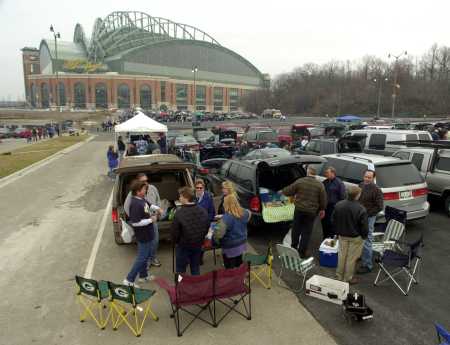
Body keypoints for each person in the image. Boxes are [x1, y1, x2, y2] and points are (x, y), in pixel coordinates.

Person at [282, 166, 327, 258]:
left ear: (308, 172)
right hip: (311, 212)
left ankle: (293, 248)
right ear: (315, 174)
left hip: (299, 210)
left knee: (296, 229)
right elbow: (323, 200)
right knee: (306, 232)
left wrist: (286, 191)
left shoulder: (300, 181)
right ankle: (301, 252)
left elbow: (287, 191)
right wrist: (322, 209)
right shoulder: (320, 185)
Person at [123, 180, 160, 287]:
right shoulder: (135, 204)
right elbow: (135, 223)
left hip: (148, 234)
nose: (146, 190)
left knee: (146, 255)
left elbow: (149, 205)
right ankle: (129, 280)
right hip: (143, 235)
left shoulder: (142, 199)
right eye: (144, 189)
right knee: (141, 258)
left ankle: (143, 276)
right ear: (138, 191)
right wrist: (151, 220)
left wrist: (158, 208)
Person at [332, 186, 368, 284]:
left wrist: (336, 232)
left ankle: (338, 276)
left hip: (342, 235)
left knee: (341, 256)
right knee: (351, 258)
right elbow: (364, 226)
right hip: (355, 237)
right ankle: (348, 278)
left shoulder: (338, 205)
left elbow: (333, 220)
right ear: (357, 196)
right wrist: (364, 236)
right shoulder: (361, 209)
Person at [171, 187, 209, 275]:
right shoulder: (202, 211)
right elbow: (207, 226)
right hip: (197, 245)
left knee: (180, 269)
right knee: (195, 267)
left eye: (180, 196)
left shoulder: (179, 214)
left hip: (183, 246)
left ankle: (180, 286)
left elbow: (174, 233)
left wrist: (176, 242)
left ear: (186, 197)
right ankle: (196, 286)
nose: (179, 198)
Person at [214, 194, 251, 268]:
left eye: (224, 202)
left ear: (226, 204)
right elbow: (249, 212)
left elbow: (218, 235)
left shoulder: (225, 219)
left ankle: (232, 278)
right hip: (241, 243)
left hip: (229, 247)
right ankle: (239, 278)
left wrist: (215, 239)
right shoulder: (244, 213)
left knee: (230, 269)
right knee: (238, 264)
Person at [357, 170, 383, 274]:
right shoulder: (361, 185)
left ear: (373, 178)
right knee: (358, 238)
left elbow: (380, 206)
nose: (367, 179)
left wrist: (367, 214)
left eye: (369, 177)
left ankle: (367, 265)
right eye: (366, 177)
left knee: (367, 240)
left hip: (369, 218)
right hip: (359, 216)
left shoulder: (377, 190)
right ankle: (361, 256)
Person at [322, 167, 346, 239]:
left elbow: (343, 196)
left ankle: (331, 238)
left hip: (334, 207)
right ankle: (325, 237)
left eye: (327, 173)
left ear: (333, 173)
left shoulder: (339, 183)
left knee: (331, 223)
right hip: (325, 206)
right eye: (326, 173)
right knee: (324, 223)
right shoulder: (325, 182)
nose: (326, 174)